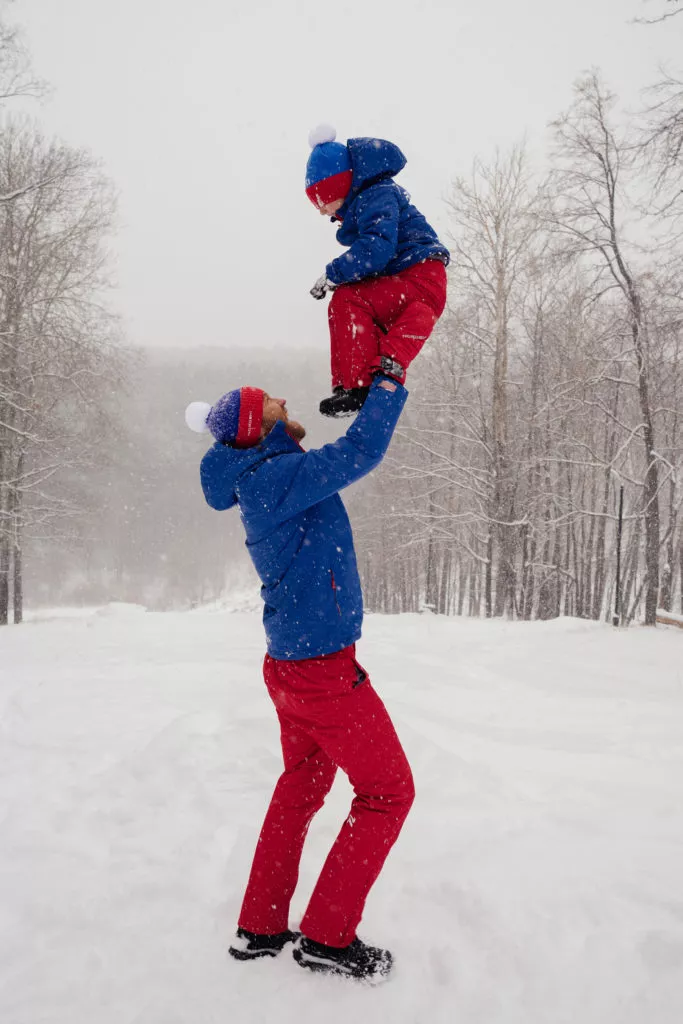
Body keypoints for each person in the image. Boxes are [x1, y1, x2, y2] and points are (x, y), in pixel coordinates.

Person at [185, 376, 415, 982]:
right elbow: (360, 453)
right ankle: (326, 938)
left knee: (302, 783)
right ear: (263, 424)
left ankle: (261, 926)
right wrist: (389, 384)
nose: (287, 400)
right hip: (320, 672)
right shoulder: (276, 479)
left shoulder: (266, 477)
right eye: (274, 401)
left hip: (293, 664)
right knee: (389, 792)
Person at [306, 124, 450, 418]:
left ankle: (357, 386)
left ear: (339, 186)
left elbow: (376, 250)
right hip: (416, 281)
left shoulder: (377, 195)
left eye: (321, 201)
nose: (321, 211)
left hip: (420, 277)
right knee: (361, 310)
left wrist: (334, 272)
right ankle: (381, 373)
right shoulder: (372, 198)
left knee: (348, 299)